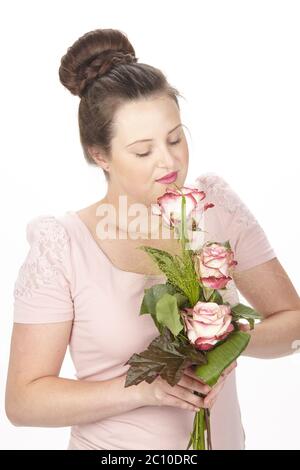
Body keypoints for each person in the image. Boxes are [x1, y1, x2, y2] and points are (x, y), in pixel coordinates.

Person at [5, 28, 299, 451]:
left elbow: (293, 321)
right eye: (143, 151)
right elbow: (23, 401)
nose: (169, 161)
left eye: (176, 138)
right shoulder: (63, 245)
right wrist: (144, 388)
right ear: (99, 154)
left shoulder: (215, 207)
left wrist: (228, 340)